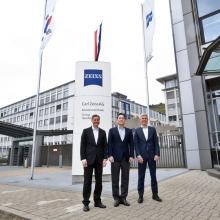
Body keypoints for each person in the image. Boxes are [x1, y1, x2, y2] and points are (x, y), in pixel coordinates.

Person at [80, 114, 108, 212]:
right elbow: (82, 146)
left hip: (99, 161)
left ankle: (97, 201)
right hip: (88, 160)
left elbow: (105, 146)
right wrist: (83, 158)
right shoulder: (86, 131)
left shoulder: (103, 132)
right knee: (87, 182)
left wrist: (105, 158)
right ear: (92, 120)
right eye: (95, 120)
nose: (96, 121)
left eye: (98, 120)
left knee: (99, 182)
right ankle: (86, 203)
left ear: (99, 121)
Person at [134, 114, 162, 203]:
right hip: (141, 157)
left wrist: (157, 154)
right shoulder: (137, 130)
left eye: (146, 118)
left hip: (152, 156)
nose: (144, 120)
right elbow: (136, 144)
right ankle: (140, 196)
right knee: (141, 176)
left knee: (153, 176)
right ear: (140, 120)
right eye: (143, 118)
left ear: (147, 119)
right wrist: (138, 155)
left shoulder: (152, 129)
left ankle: (155, 195)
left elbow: (156, 143)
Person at [108, 113, 134, 207]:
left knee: (125, 178)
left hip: (126, 158)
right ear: (117, 120)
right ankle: (116, 198)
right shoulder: (112, 131)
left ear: (124, 120)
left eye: (123, 118)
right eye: (119, 118)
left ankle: (123, 198)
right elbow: (109, 144)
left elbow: (131, 144)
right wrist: (109, 155)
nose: (121, 119)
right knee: (115, 179)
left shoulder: (129, 131)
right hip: (114, 158)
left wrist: (131, 155)